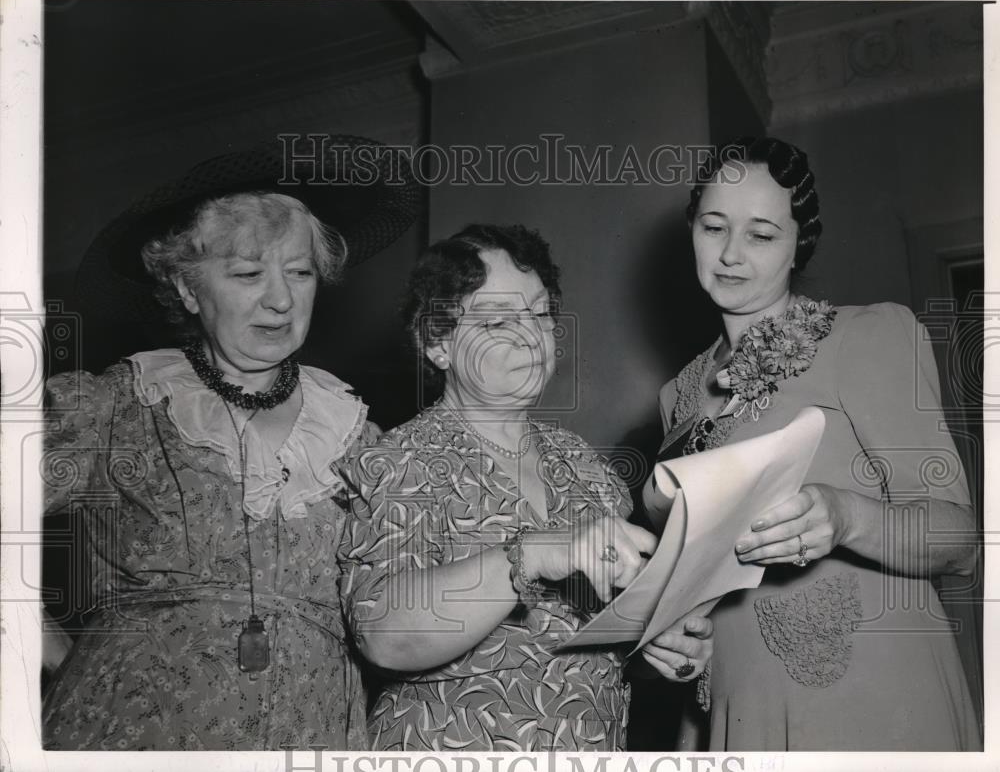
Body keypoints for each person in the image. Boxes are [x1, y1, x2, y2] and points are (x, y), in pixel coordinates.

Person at [41, 138, 418, 750]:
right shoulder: (114, 406)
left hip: (313, 729)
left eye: (299, 272)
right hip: (132, 730)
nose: (281, 298)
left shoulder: (358, 435)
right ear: (189, 289)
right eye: (247, 274)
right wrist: (51, 649)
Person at [642, 137, 981, 751]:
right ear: (691, 227)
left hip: (873, 701)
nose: (730, 254)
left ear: (801, 242)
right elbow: (700, 586)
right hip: (739, 707)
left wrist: (847, 515)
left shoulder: (870, 335)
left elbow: (958, 539)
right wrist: (679, 642)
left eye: (762, 234)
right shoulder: (678, 396)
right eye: (714, 226)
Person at [338, 224, 714, 752]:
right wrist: (530, 554)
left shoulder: (587, 470)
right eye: (496, 321)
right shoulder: (400, 461)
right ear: (437, 343)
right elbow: (382, 633)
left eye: (539, 314)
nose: (531, 336)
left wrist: (659, 646)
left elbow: (603, 654)